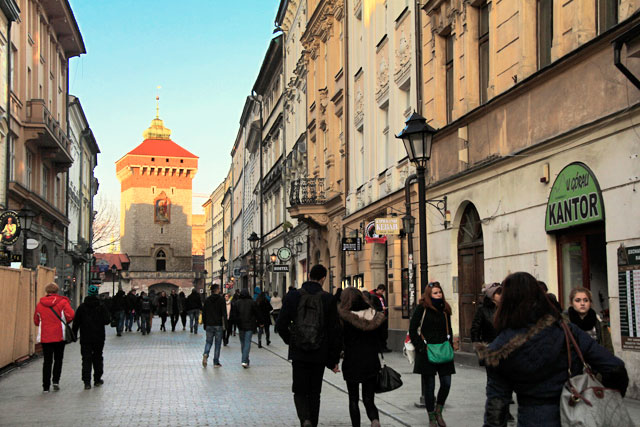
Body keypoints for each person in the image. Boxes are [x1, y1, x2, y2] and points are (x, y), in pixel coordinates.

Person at [478, 272, 629, 427]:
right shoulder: (566, 330)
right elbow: (615, 368)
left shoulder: (499, 348)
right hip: (575, 415)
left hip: (532, 419)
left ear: (505, 303)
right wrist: (608, 397)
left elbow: (496, 408)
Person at [275, 264, 341, 427]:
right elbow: (334, 331)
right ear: (323, 278)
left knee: (299, 390)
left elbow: (280, 325)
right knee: (314, 393)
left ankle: (305, 419)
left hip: (299, 353)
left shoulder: (293, 296)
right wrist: (333, 359)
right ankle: (313, 423)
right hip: (319, 353)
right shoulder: (328, 299)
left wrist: (292, 340)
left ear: (309, 275)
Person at [408, 281, 455, 427]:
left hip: (443, 350)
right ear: (429, 295)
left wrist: (450, 344)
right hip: (427, 352)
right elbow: (413, 329)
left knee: (446, 383)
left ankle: (438, 411)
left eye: (440, 292)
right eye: (435, 293)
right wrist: (421, 347)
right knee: (429, 386)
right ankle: (431, 417)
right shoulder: (422, 309)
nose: (438, 295)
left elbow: (449, 328)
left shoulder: (445, 308)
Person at [338, 287, 385, 427]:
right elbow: (383, 338)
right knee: (369, 398)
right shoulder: (374, 314)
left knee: (353, 399)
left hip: (352, 361)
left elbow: (339, 340)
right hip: (371, 361)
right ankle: (375, 421)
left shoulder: (344, 317)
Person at [34, 282, 75, 393]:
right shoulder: (62, 302)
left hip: (45, 336)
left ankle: (45, 386)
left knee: (47, 361)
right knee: (58, 359)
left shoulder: (40, 304)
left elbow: (36, 321)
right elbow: (71, 315)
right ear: (57, 291)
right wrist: (65, 322)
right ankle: (56, 381)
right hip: (59, 335)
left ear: (47, 291)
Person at [72, 284, 111, 389]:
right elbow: (107, 320)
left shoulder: (82, 307)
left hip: (85, 337)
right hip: (99, 337)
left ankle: (87, 382)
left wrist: (74, 335)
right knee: (98, 357)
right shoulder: (101, 306)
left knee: (86, 358)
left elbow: (76, 322)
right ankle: (97, 379)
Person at [565, 287, 614, 354]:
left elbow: (608, 350)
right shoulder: (564, 323)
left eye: (586, 300)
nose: (582, 303)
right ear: (571, 303)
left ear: (590, 302)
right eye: (578, 300)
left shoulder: (599, 323)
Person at [231, 289, 258, 368]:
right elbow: (257, 313)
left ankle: (245, 359)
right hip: (250, 325)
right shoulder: (252, 302)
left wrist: (235, 323)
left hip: (241, 326)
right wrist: (260, 322)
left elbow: (234, 315)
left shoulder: (237, 303)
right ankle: (245, 360)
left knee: (243, 343)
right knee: (247, 342)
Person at [202, 284, 227, 368]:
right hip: (218, 324)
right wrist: (225, 325)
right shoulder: (221, 300)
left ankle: (206, 354)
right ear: (217, 290)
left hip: (209, 324)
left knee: (208, 342)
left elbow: (204, 313)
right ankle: (216, 362)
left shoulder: (207, 300)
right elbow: (224, 313)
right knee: (217, 344)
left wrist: (205, 323)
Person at [471, 283, 501, 349]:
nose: (501, 295)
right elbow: (475, 329)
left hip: (504, 347)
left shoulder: (505, 308)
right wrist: (478, 347)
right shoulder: (483, 309)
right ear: (492, 295)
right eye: (499, 293)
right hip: (489, 346)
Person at [369, 284, 390, 352]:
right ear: (379, 289)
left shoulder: (381, 296)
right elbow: (373, 307)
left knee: (384, 333)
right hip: (377, 316)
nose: (382, 293)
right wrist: (381, 308)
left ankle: (384, 346)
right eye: (382, 291)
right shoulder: (372, 296)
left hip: (383, 316)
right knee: (379, 333)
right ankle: (379, 347)